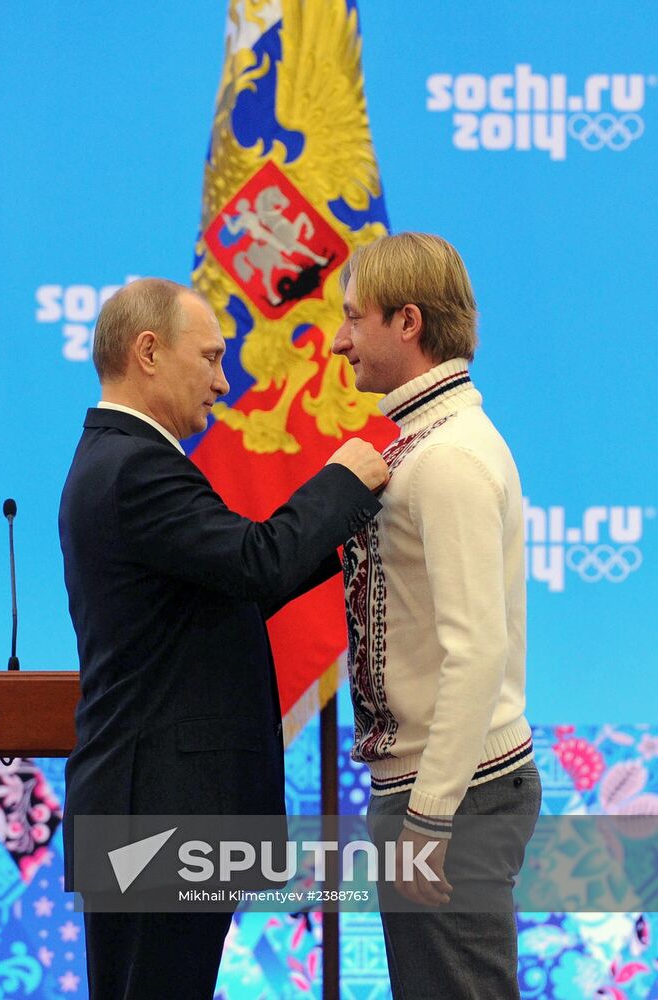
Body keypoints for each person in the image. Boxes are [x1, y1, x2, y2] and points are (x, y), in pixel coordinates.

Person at [59, 277, 388, 999]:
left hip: (148, 807)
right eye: (208, 358)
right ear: (148, 352)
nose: (222, 380)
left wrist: (347, 539)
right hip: (158, 813)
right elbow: (254, 559)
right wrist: (344, 478)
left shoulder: (116, 459)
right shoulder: (135, 466)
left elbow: (242, 583)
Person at [332, 233, 541, 999]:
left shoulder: (445, 457)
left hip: (451, 795)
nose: (337, 341)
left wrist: (428, 816)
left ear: (408, 321)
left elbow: (477, 650)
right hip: (447, 788)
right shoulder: (435, 440)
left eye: (354, 318)